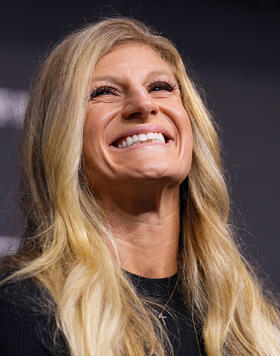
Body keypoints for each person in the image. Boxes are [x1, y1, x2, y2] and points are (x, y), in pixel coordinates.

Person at [0, 17, 279, 356]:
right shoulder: (20, 309)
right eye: (103, 92)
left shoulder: (255, 326)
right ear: (60, 136)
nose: (144, 105)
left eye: (160, 87)